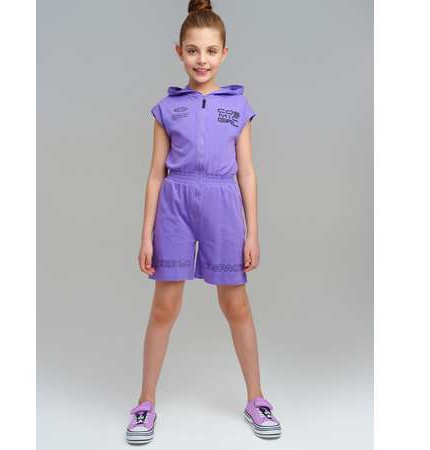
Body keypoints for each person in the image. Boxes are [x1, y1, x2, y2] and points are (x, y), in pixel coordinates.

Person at [126, 0, 282, 444]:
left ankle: (256, 397)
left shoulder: (238, 106)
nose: (202, 60)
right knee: (164, 307)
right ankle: (145, 402)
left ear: (224, 53)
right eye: (193, 50)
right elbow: (155, 174)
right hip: (175, 206)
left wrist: (253, 232)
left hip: (222, 206)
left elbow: (247, 172)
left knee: (236, 305)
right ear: (179, 51)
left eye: (211, 51)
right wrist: (146, 235)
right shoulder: (166, 108)